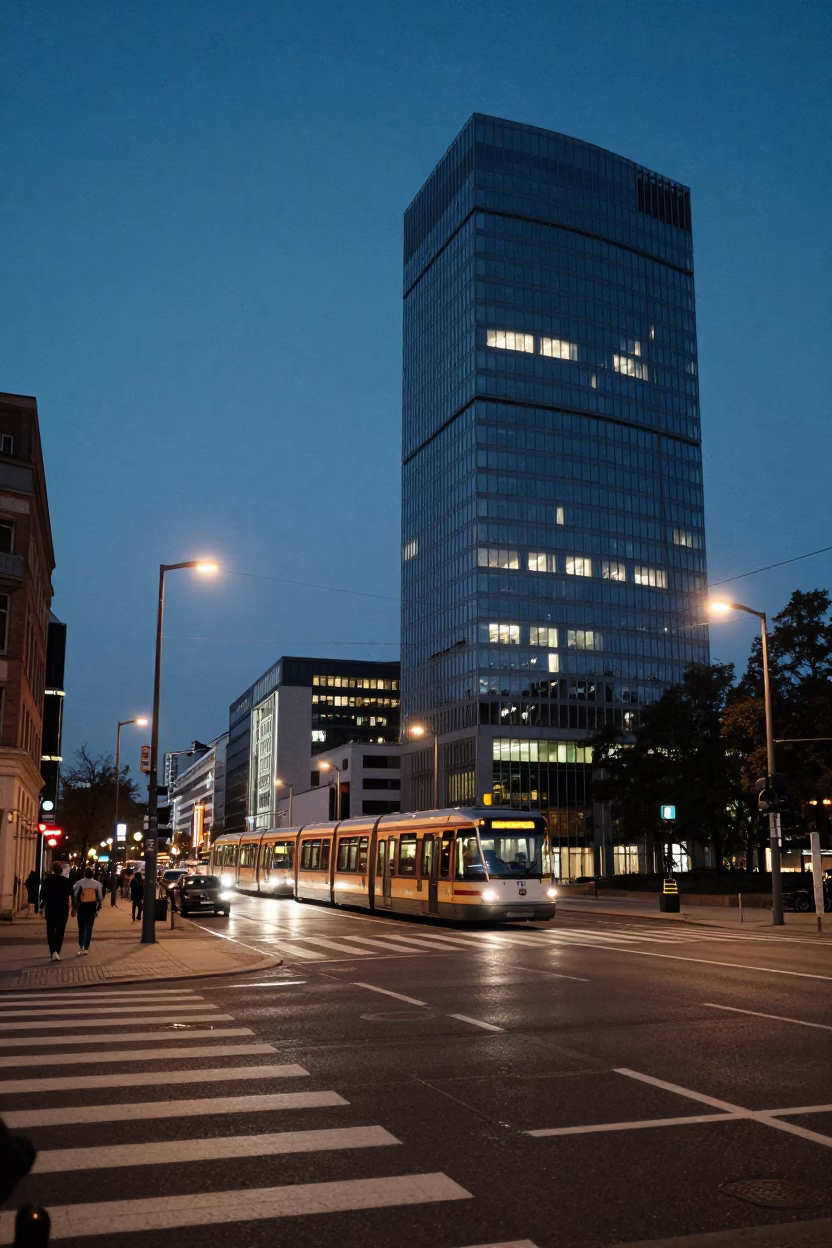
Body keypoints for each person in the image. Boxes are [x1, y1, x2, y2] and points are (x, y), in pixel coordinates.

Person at [39, 862, 73, 961]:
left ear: (53, 869)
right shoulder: (67, 881)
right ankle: (57, 951)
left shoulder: (48, 880)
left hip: (50, 908)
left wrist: (41, 907)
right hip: (63, 908)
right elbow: (71, 894)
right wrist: (74, 907)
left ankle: (52, 950)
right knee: (60, 930)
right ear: (61, 870)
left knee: (50, 930)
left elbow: (43, 895)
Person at [72, 867, 103, 955]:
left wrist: (74, 906)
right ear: (93, 874)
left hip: (82, 907)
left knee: (81, 927)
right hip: (92, 907)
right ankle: (86, 948)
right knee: (89, 928)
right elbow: (100, 897)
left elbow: (74, 893)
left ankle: (81, 945)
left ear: (84, 874)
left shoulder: (79, 882)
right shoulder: (97, 884)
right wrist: (99, 907)